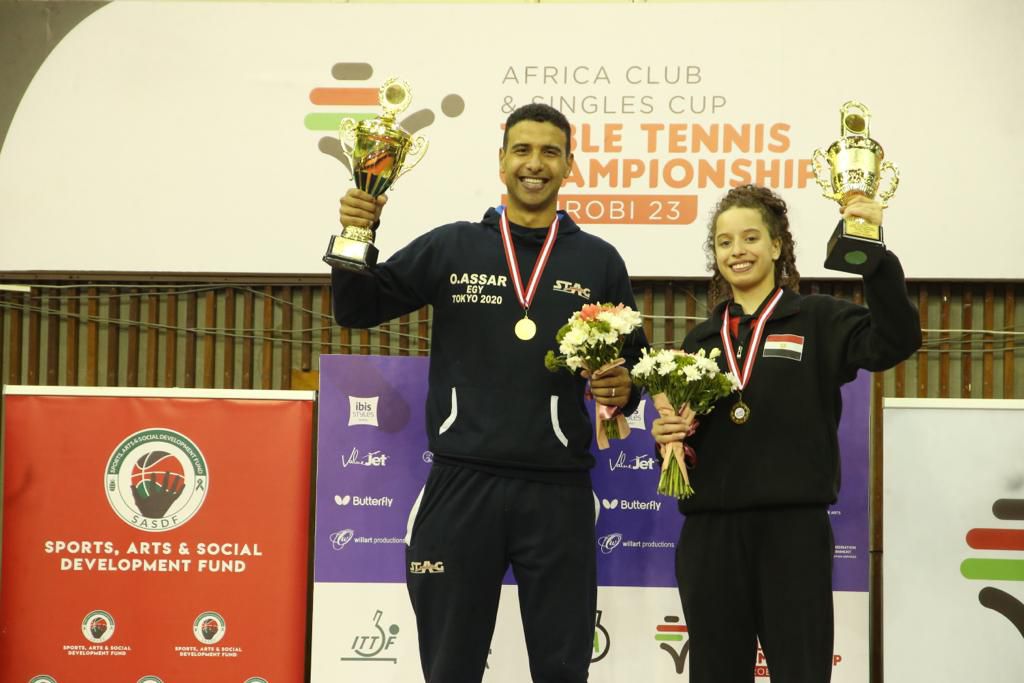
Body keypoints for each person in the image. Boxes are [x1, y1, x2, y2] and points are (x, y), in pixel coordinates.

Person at [330, 103, 646, 683]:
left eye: (550, 152)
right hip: (461, 487)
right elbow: (355, 310)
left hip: (558, 493)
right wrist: (359, 232)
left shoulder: (598, 261)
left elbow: (631, 374)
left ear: (570, 166)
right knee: (450, 667)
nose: (535, 164)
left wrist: (623, 387)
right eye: (522, 150)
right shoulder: (453, 247)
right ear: (501, 162)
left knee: (562, 668)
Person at [650, 184, 921, 683]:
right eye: (725, 242)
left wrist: (875, 257)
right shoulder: (700, 340)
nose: (738, 251)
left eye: (751, 237)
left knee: (800, 670)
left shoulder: (820, 318)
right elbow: (687, 439)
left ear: (777, 245)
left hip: (791, 531)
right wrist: (669, 436)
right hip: (711, 535)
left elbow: (896, 340)